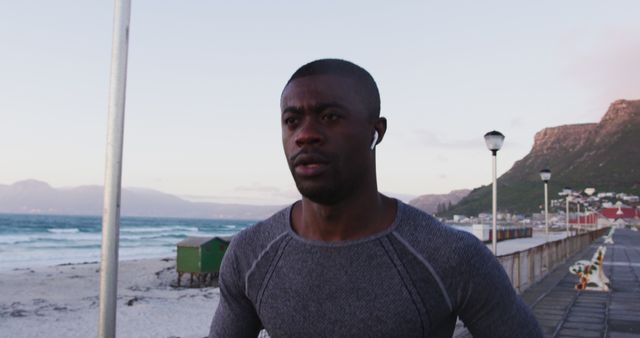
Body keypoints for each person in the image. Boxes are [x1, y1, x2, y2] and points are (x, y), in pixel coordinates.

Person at [209, 59, 542, 337]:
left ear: (376, 131)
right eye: (291, 121)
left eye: (330, 117)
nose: (304, 134)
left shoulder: (450, 255)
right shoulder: (249, 254)